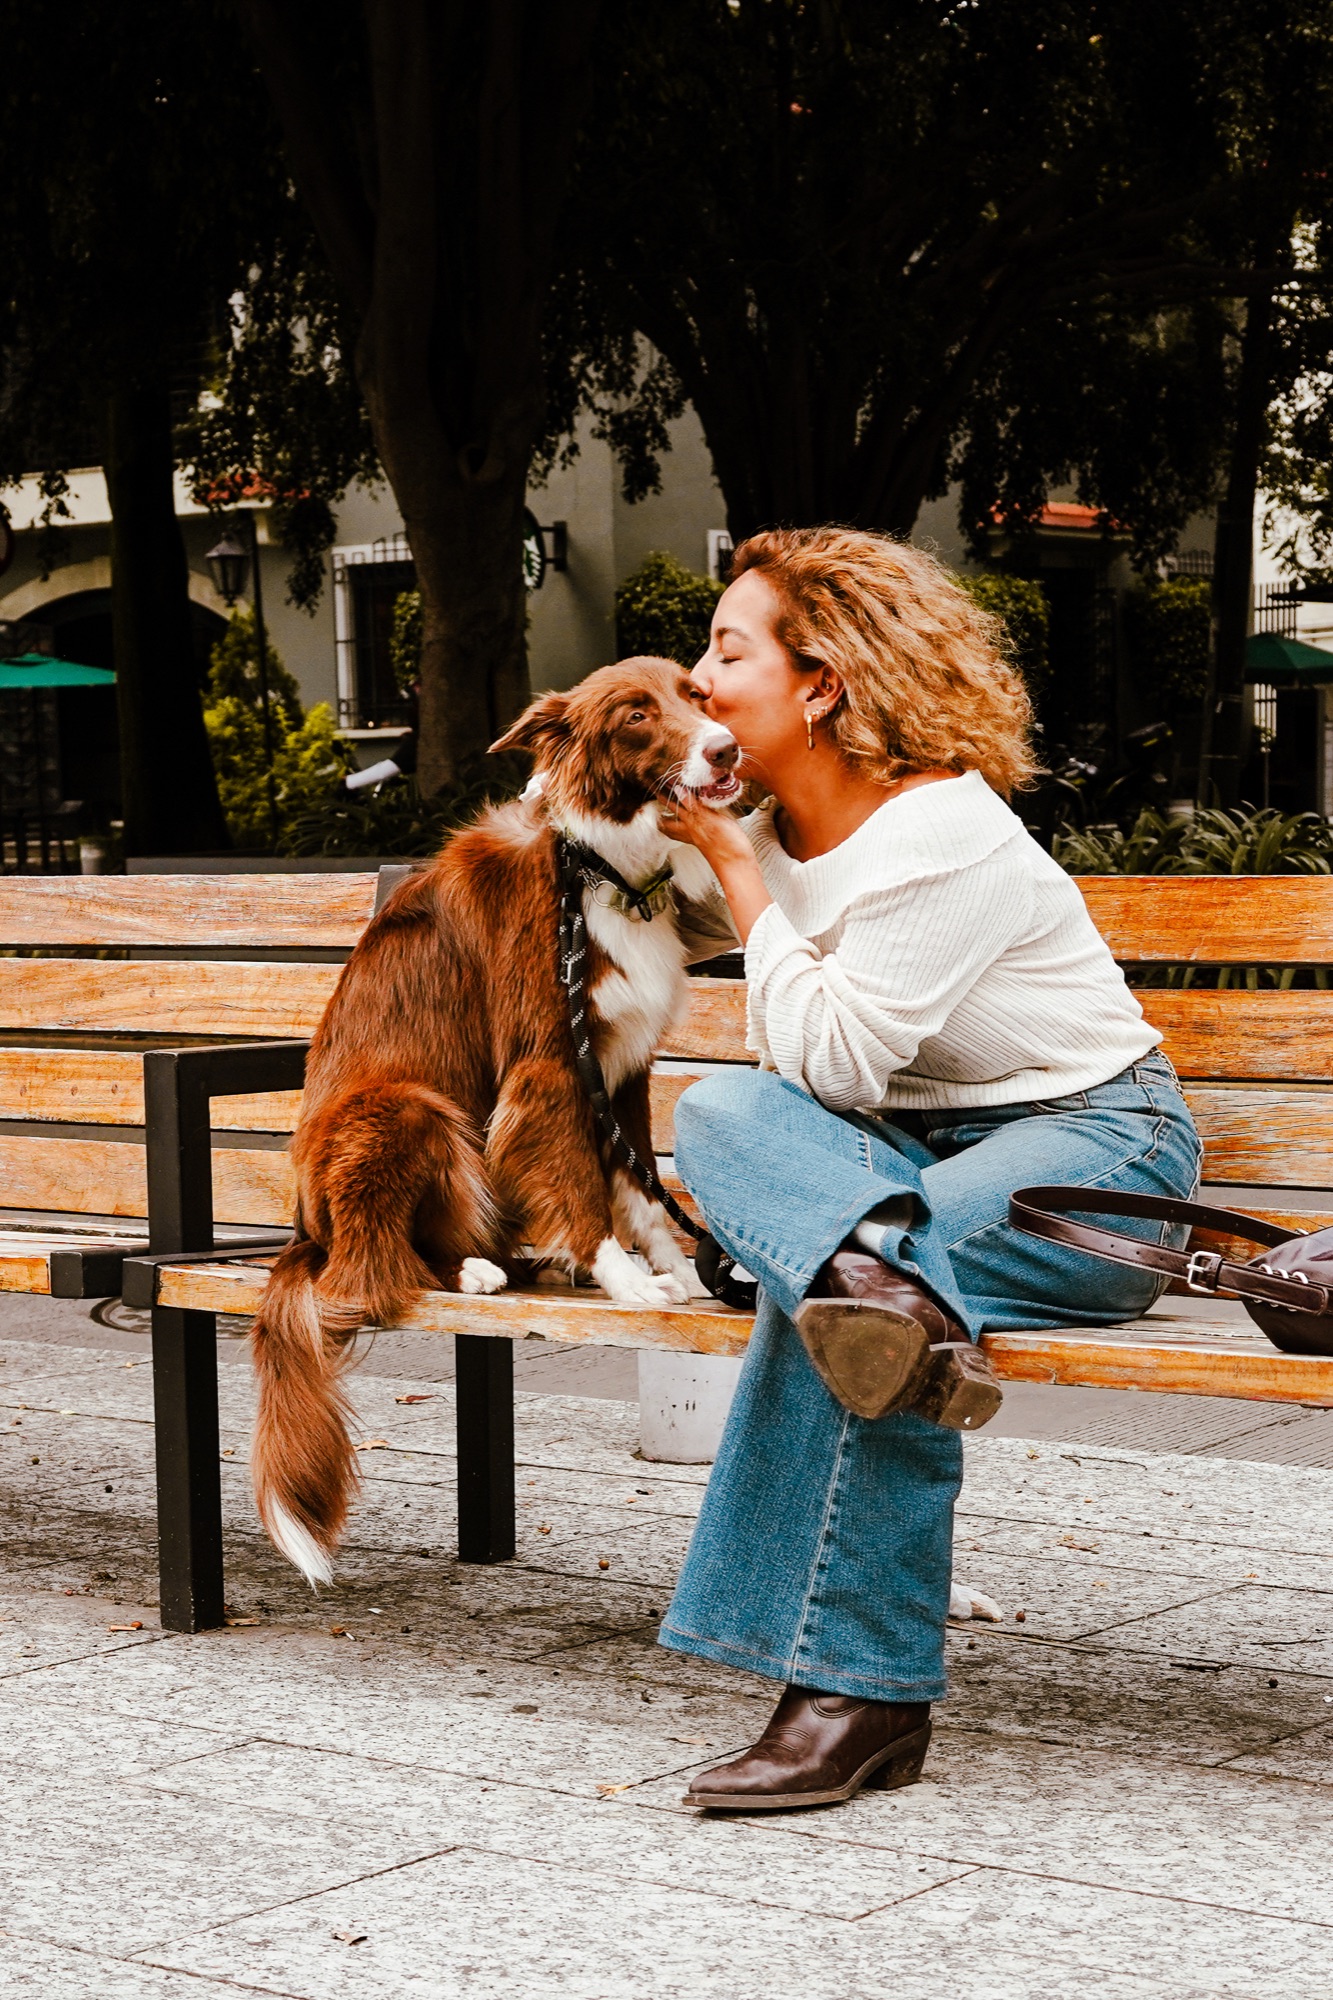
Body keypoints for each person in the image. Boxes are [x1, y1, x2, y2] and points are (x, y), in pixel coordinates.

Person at [656, 526, 1201, 1814]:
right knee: (727, 1116)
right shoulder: (773, 824)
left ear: (824, 682)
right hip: (908, 1161)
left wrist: (735, 870)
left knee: (862, 1286)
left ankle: (861, 1688)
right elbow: (774, 1083)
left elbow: (835, 1059)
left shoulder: (943, 829)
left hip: (1092, 1153)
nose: (701, 678)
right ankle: (880, 1287)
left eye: (727, 650)